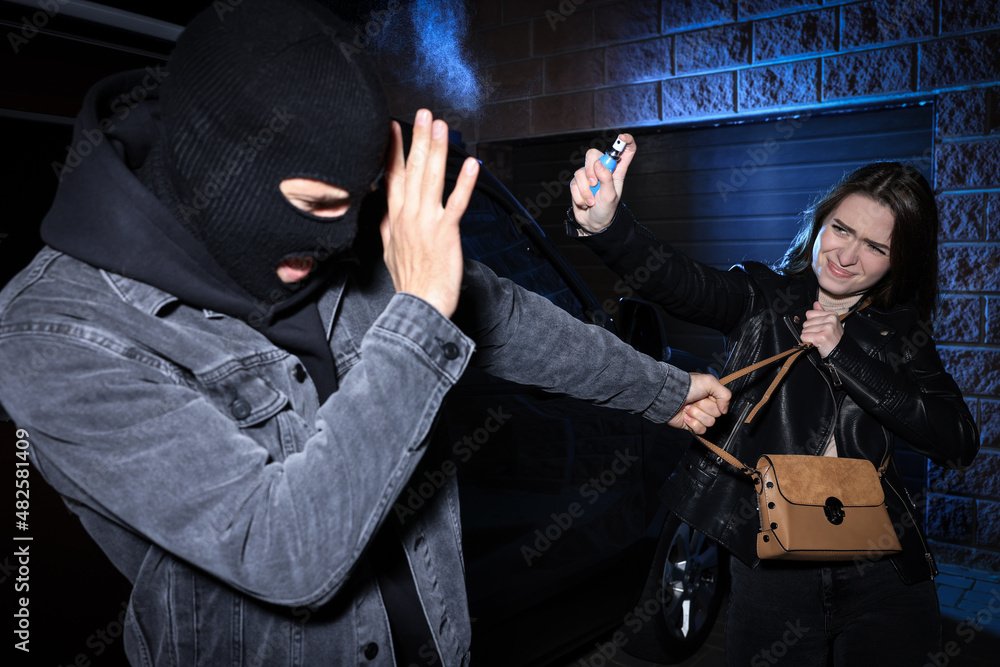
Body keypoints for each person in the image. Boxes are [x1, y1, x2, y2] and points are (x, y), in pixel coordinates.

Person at [0, 2, 731, 666]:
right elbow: (283, 551)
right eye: (319, 206)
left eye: (358, 205)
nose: (342, 237)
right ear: (219, 172)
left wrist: (663, 390)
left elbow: (503, 315)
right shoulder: (57, 333)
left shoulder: (340, 225)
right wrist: (418, 315)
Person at [567, 136, 980, 666]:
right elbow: (682, 281)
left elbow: (958, 441)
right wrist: (609, 227)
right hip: (773, 568)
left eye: (876, 248)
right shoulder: (764, 296)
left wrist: (844, 353)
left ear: (900, 261)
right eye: (841, 229)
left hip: (883, 569)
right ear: (820, 222)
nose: (846, 257)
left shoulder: (901, 333)